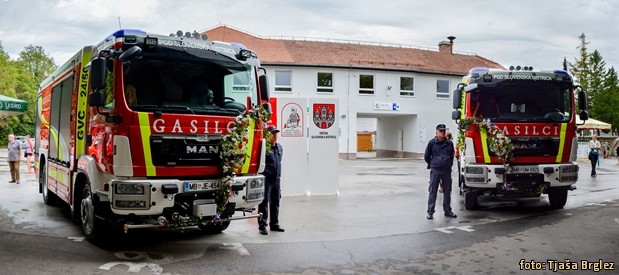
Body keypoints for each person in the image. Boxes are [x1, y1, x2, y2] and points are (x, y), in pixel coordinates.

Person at [424, 124, 457, 219]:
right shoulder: (432, 143)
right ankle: (430, 212)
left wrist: (448, 164)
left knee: (447, 191)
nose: (443, 132)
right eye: (441, 131)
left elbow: (451, 155)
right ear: (436, 132)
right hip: (436, 170)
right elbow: (427, 156)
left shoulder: (449, 143)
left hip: (446, 171)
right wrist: (433, 164)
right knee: (433, 191)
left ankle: (447, 211)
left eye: (444, 131)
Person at [258, 126, 285, 235]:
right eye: (273, 134)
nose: (275, 136)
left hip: (276, 179)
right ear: (267, 135)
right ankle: (262, 226)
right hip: (266, 179)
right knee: (264, 203)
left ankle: (274, 224)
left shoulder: (279, 147)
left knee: (276, 202)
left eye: (276, 134)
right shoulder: (264, 148)